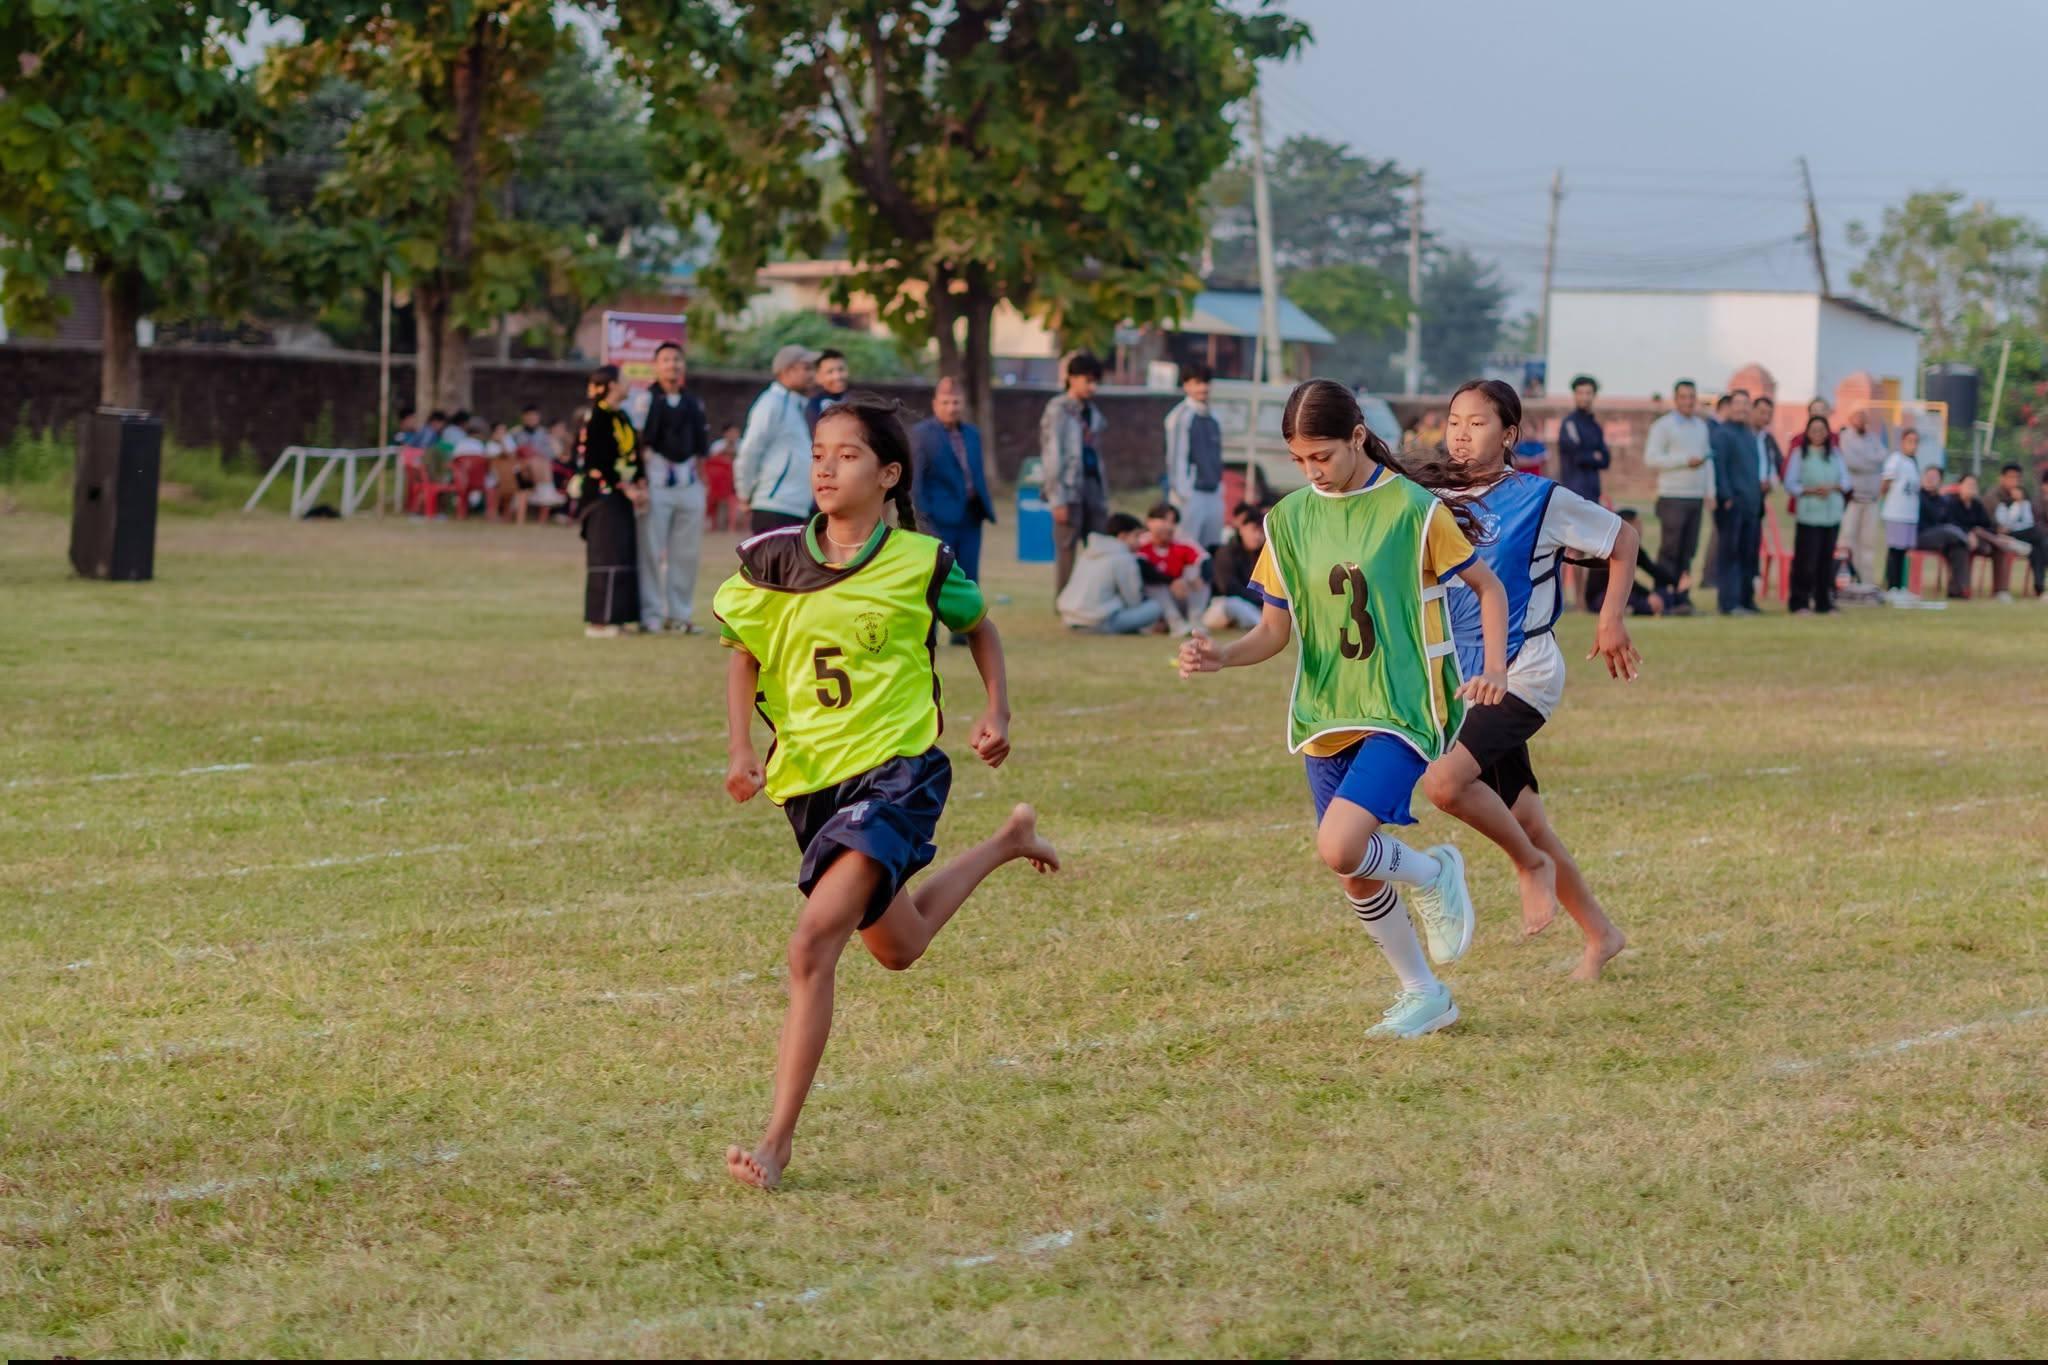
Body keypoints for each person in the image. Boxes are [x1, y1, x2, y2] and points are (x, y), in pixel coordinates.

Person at [713, 393, 1058, 1191]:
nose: (827, 468)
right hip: (812, 788)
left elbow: (978, 626)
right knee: (898, 947)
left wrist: (997, 709)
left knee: (811, 945)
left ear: (889, 473)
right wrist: (740, 748)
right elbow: (742, 652)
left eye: (848, 455)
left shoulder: (920, 562)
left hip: (898, 774)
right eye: (819, 454)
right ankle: (1008, 842)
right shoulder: (771, 559)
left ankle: (776, 1141)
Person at [1177, 379, 1512, 1041]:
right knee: (1350, 868)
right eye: (1299, 460)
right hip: (1326, 712)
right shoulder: (1287, 520)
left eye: (1323, 455)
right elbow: (1274, 630)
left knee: (1341, 843)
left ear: (1358, 436)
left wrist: (1494, 668)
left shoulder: (1412, 510)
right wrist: (1222, 656)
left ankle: (1434, 872)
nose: (1312, 471)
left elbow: (1488, 587)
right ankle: (1424, 994)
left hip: (1400, 705)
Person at [1421, 379, 1638, 980]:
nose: (1461, 434)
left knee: (1444, 783)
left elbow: (1623, 539)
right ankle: (1601, 934)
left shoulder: (1540, 499)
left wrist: (1611, 619)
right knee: (1529, 820)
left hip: (1524, 672)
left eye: (1478, 423)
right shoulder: (1431, 499)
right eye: (1454, 421)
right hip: (1465, 679)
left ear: (1509, 434)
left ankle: (1528, 865)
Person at [633, 342, 712, 634]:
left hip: (688, 484)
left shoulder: (693, 403)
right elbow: (638, 443)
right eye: (665, 360)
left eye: (676, 359)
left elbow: (701, 446)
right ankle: (651, 613)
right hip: (656, 483)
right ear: (656, 366)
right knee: (651, 552)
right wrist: (639, 481)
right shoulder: (645, 401)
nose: (672, 365)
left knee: (686, 554)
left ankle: (679, 614)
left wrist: (702, 483)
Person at [571, 365, 647, 637]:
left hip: (621, 497)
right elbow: (593, 460)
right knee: (605, 555)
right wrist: (623, 486)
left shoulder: (622, 416)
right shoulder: (595, 417)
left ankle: (619, 618)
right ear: (612, 385)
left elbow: (633, 454)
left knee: (623, 554)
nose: (629, 384)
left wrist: (640, 482)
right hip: (601, 497)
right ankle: (599, 621)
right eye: (624, 380)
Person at [909, 376, 996, 606]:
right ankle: (932, 625)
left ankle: (966, 624)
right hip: (939, 519)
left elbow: (976, 473)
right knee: (938, 577)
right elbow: (916, 483)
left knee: (968, 578)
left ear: (963, 403)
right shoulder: (922, 434)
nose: (951, 408)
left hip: (971, 516)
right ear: (935, 404)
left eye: (956, 402)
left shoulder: (972, 434)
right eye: (945, 402)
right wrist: (924, 520)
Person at [1041, 351, 1110, 596]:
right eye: (1087, 380)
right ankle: (1063, 603)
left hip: (1093, 486)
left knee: (1099, 547)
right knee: (1066, 549)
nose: (1093, 387)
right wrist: (1056, 498)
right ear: (1072, 378)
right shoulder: (1058, 410)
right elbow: (1052, 454)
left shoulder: (1092, 412)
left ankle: (1091, 601)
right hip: (1068, 489)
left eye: (1095, 381)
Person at [1643, 379, 1713, 615]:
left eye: (1692, 397)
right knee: (1670, 550)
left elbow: (1707, 461)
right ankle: (1664, 597)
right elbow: (1651, 458)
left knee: (1688, 551)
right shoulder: (1664, 426)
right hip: (1672, 495)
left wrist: (1710, 492)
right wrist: (1684, 461)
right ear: (1676, 399)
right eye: (1683, 397)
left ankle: (1683, 598)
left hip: (1695, 496)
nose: (1688, 401)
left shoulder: (1701, 426)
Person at [735, 344, 818, 534]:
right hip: (774, 506)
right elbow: (750, 450)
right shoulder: (771, 403)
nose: (812, 374)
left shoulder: (797, 405)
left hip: (797, 506)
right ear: (787, 371)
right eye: (806, 368)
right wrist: (744, 493)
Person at [1055, 512, 1165, 634]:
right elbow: (1133, 600)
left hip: (1069, 619)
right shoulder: (1124, 558)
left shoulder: (1088, 552)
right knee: (1155, 607)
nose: (1139, 542)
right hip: (1098, 622)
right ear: (1123, 536)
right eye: (1136, 536)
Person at [1710, 390, 1768, 615]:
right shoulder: (1722, 434)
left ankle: (1746, 600)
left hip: (1751, 505)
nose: (1742, 408)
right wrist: (1726, 497)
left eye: (1746, 404)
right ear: (1729, 406)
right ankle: (1729, 603)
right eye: (1738, 403)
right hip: (1732, 505)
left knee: (1748, 555)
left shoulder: (1750, 435)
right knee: (1730, 555)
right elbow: (1719, 468)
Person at [1784, 413, 1848, 614]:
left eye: (1822, 430)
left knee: (1826, 560)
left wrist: (1833, 487)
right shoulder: (1799, 455)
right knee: (1806, 561)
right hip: (1809, 514)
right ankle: (1800, 601)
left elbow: (1846, 481)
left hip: (1831, 514)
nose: (1818, 434)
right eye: (1814, 430)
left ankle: (1823, 602)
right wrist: (1811, 490)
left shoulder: (1835, 454)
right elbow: (1790, 483)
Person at [1164, 363, 1227, 550]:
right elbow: (1176, 457)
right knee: (1187, 548)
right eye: (1197, 383)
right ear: (1186, 385)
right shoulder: (1180, 417)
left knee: (1211, 548)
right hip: (1191, 494)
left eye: (1206, 382)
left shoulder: (1214, 416)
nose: (1203, 388)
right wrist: (1182, 494)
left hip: (1212, 492)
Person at [1576, 507, 1678, 617]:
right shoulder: (1610, 549)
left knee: (1664, 593)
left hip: (1622, 593)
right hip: (1601, 596)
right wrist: (1648, 595)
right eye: (1638, 524)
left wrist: (1676, 582)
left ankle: (1655, 606)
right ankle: (1653, 607)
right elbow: (1622, 580)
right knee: (1631, 598)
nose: (1641, 528)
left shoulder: (1635, 548)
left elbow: (1653, 569)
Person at [1137, 502, 1211, 635]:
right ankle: (1175, 623)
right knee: (1154, 586)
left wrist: (1199, 578)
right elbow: (1145, 571)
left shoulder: (1182, 542)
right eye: (1163, 520)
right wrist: (1171, 581)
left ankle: (1195, 620)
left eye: (1172, 522)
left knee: (1194, 573)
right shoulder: (1140, 543)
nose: (1169, 526)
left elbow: (1206, 561)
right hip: (1153, 604)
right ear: (1149, 522)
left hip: (1181, 596)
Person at [1837, 407, 1889, 587]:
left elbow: (1882, 456)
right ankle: (1845, 577)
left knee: (1868, 542)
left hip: (1871, 500)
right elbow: (1851, 462)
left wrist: (1865, 460)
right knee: (1847, 539)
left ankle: (1866, 580)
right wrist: (1870, 461)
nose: (1860, 421)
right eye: (1857, 417)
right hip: (1853, 499)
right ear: (1851, 419)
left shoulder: (1873, 438)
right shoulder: (1845, 438)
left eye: (1863, 417)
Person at [1203, 503, 1268, 632]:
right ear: (1242, 529)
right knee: (1233, 604)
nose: (1257, 536)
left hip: (1257, 605)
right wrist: (1262, 600)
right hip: (1221, 606)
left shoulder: (1265, 554)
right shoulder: (1226, 552)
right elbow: (1228, 587)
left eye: (1261, 532)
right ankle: (1263, 627)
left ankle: (1264, 624)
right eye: (1254, 530)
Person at [1914, 465, 1972, 598]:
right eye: (1928, 476)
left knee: (1959, 547)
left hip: (1941, 538)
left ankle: (1958, 590)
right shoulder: (1917, 497)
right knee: (1948, 531)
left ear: (1940, 481)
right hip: (1919, 536)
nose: (1930, 480)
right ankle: (1964, 538)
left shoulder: (1943, 501)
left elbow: (1952, 521)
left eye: (1934, 477)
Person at [1878, 428, 1922, 601]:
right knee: (1895, 550)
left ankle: (1901, 586)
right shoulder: (1896, 459)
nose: (1913, 445)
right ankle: (1891, 587)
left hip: (1909, 514)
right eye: (1910, 441)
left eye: (1916, 442)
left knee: (1903, 552)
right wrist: (1883, 501)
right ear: (1902, 442)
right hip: (1896, 513)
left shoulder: (1913, 463)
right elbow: (1886, 483)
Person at [1990, 463, 2046, 599]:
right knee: (2039, 535)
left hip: (2023, 534)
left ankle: (2039, 588)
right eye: (2011, 477)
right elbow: (1997, 523)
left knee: (2038, 547)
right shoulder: (1994, 496)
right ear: (2002, 478)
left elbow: (2028, 519)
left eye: (2017, 478)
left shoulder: (2023, 497)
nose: (2014, 481)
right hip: (2000, 535)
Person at [1555, 374, 1610, 505]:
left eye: (1588, 393)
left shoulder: (1595, 427)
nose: (1584, 397)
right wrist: (1594, 455)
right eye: (1580, 393)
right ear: (1574, 395)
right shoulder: (1570, 424)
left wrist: (1591, 455)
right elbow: (1578, 456)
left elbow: (1606, 459)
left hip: (1593, 493)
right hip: (1573, 493)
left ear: (1594, 395)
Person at [704, 423, 742, 531]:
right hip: (719, 481)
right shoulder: (717, 445)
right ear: (725, 433)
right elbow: (712, 462)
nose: (733, 435)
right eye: (731, 432)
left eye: (735, 432)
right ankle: (713, 525)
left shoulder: (742, 444)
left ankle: (732, 526)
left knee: (733, 502)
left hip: (736, 479)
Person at [803, 348, 851, 431]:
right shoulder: (815, 406)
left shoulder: (858, 397)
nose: (837, 376)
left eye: (841, 369)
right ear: (818, 377)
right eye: (830, 372)